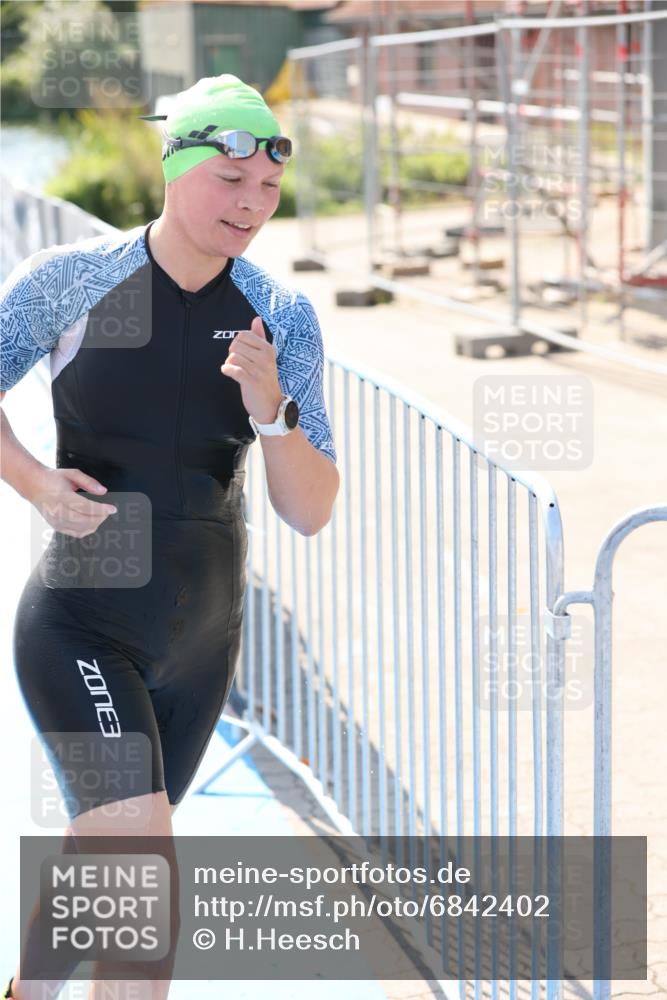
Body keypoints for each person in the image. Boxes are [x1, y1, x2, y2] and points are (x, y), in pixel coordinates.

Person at [0, 73, 339, 999]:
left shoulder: (283, 315)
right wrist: (34, 483)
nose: (251, 206)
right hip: (83, 627)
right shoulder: (70, 279)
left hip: (199, 647)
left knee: (105, 853)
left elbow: (310, 509)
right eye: (231, 182)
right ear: (175, 162)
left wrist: (273, 415)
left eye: (267, 191)